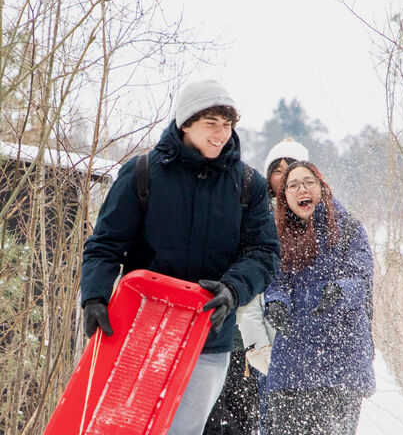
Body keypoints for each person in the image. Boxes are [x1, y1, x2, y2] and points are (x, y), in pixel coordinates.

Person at [79, 79, 280, 435]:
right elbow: (106, 243)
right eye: (211, 124)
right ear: (185, 123)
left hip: (208, 335)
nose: (221, 134)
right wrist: (94, 296)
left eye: (227, 124)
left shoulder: (248, 184)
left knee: (183, 430)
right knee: (129, 427)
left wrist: (233, 289)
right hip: (142, 330)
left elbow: (264, 253)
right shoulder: (142, 173)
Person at [264, 160, 375, 435]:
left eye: (308, 182)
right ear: (284, 195)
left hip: (341, 357)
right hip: (293, 358)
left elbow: (360, 277)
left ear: (322, 187)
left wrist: (339, 290)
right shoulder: (278, 234)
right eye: (293, 185)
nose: (302, 190)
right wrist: (276, 302)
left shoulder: (347, 228)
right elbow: (277, 280)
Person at [238, 137, 309, 433]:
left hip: (309, 346)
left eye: (291, 167)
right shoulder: (257, 217)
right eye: (277, 169)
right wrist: (256, 341)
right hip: (270, 342)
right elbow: (251, 285)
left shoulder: (318, 222)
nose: (284, 175)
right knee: (271, 420)